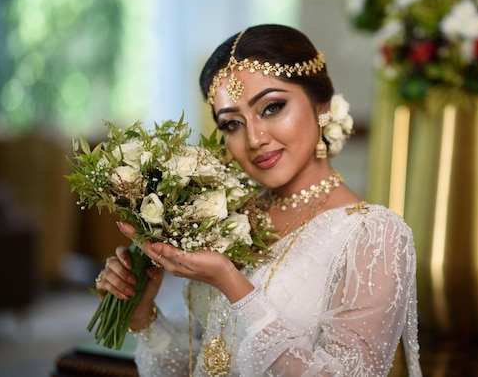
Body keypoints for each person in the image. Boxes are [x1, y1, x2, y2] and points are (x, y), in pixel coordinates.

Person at [96, 24, 422, 376]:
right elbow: (210, 360)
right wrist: (144, 316)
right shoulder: (229, 213)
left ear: (322, 107)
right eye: (232, 124)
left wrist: (232, 283)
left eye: (272, 107)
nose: (254, 138)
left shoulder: (374, 235)